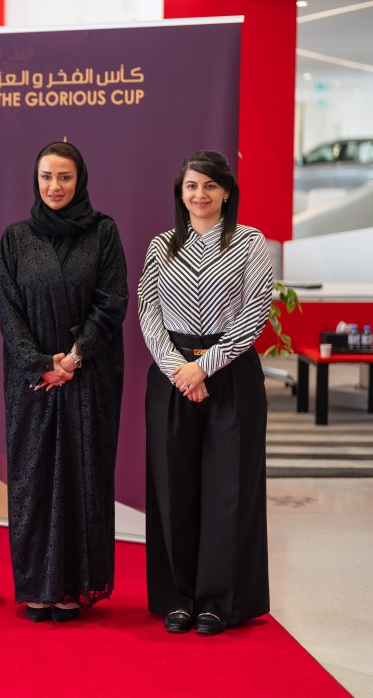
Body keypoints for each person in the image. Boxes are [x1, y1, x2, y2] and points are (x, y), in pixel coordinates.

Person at [139, 150, 273, 636]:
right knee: (173, 486)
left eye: (210, 186)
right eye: (192, 186)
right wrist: (180, 369)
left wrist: (205, 368)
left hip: (230, 373)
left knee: (228, 488)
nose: (200, 195)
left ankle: (219, 600)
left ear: (227, 192)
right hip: (172, 375)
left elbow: (256, 311)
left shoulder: (250, 243)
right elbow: (148, 313)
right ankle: (179, 596)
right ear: (181, 191)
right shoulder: (161, 247)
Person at [0, 141, 128, 623]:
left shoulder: (103, 232)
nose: (55, 186)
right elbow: (8, 312)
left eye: (65, 177)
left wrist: (72, 358)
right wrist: (39, 363)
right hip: (31, 380)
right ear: (36, 179)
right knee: (32, 480)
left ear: (81, 181)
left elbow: (112, 301)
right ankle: (37, 586)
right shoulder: (14, 238)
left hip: (88, 374)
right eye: (47, 176)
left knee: (82, 475)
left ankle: (73, 587)